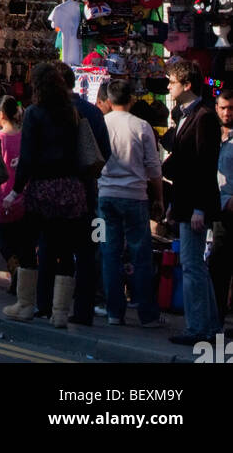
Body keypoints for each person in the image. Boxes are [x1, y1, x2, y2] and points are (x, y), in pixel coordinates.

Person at [2, 62, 86, 327]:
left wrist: (15, 191)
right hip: (71, 189)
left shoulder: (34, 114)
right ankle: (60, 312)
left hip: (43, 188)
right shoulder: (71, 113)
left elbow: (26, 158)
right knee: (64, 248)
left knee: (27, 243)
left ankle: (26, 304)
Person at [162, 60, 223, 345]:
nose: (168, 86)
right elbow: (183, 165)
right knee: (195, 265)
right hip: (186, 200)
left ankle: (199, 327)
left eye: (172, 82)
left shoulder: (204, 117)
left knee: (191, 265)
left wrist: (199, 207)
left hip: (196, 204)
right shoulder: (184, 115)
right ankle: (209, 325)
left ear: (186, 85)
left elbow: (204, 164)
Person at [97, 77, 163, 328]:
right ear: (132, 99)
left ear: (109, 100)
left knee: (109, 252)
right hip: (135, 197)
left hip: (106, 198)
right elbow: (154, 169)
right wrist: (158, 198)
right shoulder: (142, 126)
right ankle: (147, 314)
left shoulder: (101, 124)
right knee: (141, 255)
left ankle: (115, 312)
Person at [54, 63, 111, 326]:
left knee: (57, 248)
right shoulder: (92, 112)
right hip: (88, 190)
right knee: (87, 251)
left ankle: (54, 307)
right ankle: (83, 310)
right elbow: (104, 152)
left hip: (57, 191)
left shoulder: (47, 112)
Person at [0, 95, 26, 296]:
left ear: (1, 115)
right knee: (20, 239)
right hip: (22, 195)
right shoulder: (24, 137)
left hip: (3, 196)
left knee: (4, 241)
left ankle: (16, 273)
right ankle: (20, 276)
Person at [210, 86, 233, 328]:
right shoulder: (213, 135)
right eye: (223, 108)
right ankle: (216, 317)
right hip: (217, 210)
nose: (227, 113)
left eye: (231, 108)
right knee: (218, 266)